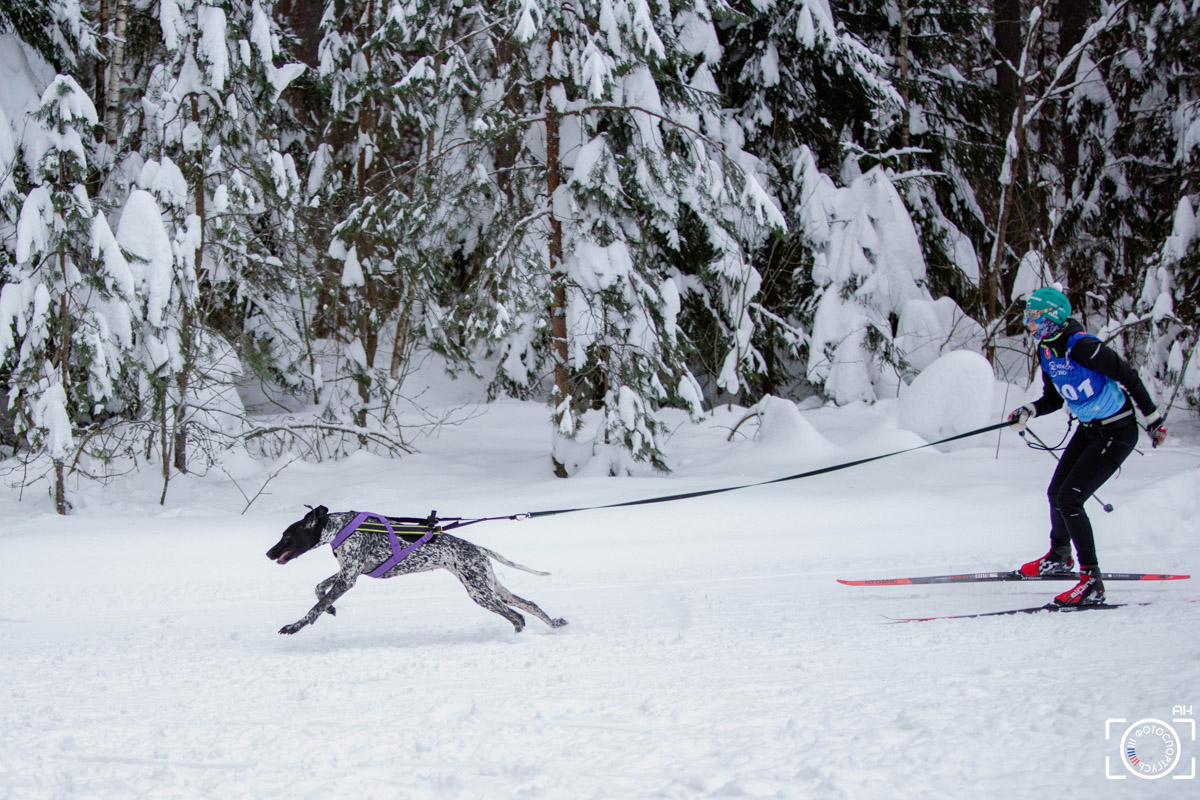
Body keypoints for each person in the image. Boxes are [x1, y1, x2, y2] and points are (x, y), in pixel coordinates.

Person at [1007, 287, 1168, 606]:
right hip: (1090, 429)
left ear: (1052, 318)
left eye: (1033, 317)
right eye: (1028, 317)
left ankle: (1092, 582)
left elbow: (1127, 375)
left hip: (1117, 432)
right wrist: (1029, 410)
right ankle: (1059, 556)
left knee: (1070, 499)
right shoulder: (1047, 349)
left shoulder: (1082, 346)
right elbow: (1054, 397)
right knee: (1056, 494)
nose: (1029, 323)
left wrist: (1151, 417)